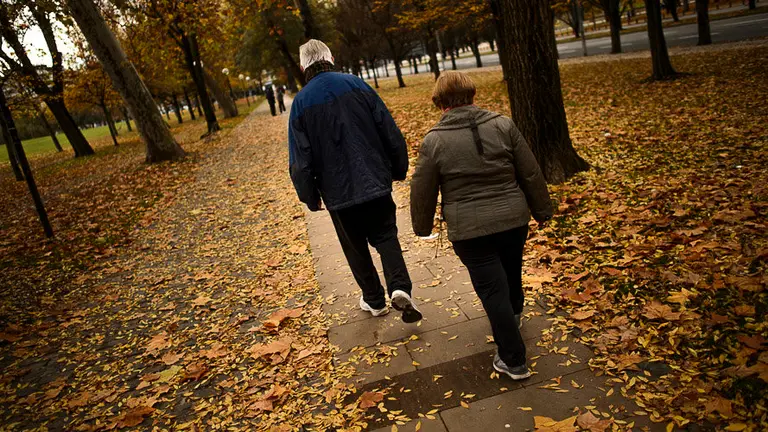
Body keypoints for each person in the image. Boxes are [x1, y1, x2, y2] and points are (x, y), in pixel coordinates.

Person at [410, 71, 553, 380]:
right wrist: (541, 209)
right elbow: (529, 171)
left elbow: (422, 188)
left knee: (492, 290)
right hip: (513, 220)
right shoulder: (503, 125)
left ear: (439, 101)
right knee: (511, 270)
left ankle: (513, 358)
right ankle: (513, 315)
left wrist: (422, 227)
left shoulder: (434, 140)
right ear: (472, 94)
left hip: (470, 230)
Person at [288, 39, 422, 323]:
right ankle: (399, 287)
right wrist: (397, 168)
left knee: (355, 246)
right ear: (331, 57)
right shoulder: (357, 85)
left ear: (303, 67)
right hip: (374, 177)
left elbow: (300, 160)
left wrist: (310, 197)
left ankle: (374, 300)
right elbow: (389, 129)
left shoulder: (300, 103)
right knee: (386, 236)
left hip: (337, 190)